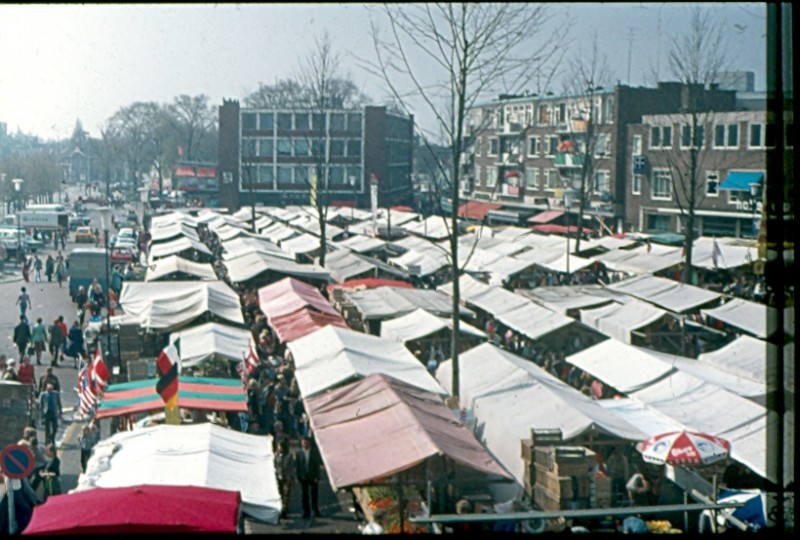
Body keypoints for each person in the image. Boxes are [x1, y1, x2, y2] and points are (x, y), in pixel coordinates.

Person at [295, 436, 322, 518]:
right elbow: (297, 466)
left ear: (309, 443)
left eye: (306, 442)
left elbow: (317, 465)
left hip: (313, 476)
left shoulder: (314, 452)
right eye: (303, 442)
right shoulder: (298, 453)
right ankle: (306, 511)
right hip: (303, 476)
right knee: (304, 495)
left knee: (314, 494)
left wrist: (317, 476)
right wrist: (298, 476)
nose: (305, 443)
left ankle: (315, 509)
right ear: (301, 443)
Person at [275, 439, 295, 519]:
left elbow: (291, 467)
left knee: (286, 495)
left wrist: (292, 477)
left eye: (280, 447)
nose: (279, 448)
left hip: (287, 478)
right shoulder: (276, 456)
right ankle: (280, 509)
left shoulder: (289, 456)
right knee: (280, 494)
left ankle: (285, 510)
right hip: (279, 478)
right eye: (278, 447)